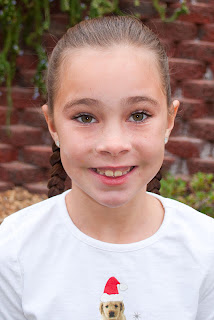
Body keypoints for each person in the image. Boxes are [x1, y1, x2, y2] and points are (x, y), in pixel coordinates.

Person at [0, 15, 214, 320]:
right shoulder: (14, 251)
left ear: (169, 120)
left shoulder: (206, 249)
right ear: (53, 125)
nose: (113, 144)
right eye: (85, 117)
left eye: (138, 115)